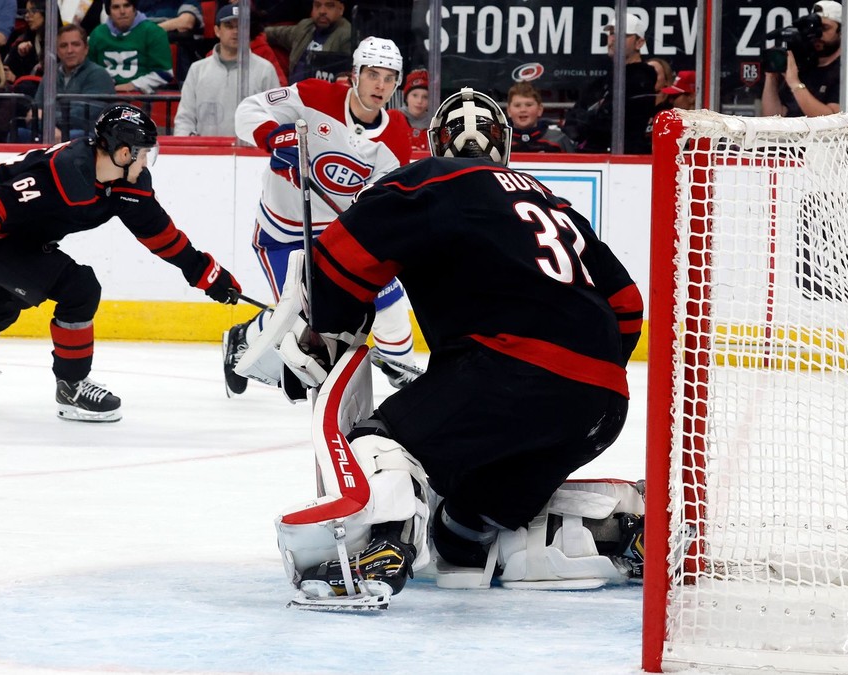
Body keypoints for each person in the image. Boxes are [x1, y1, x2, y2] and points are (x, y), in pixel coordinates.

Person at [241, 88, 644, 601]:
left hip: (506, 376)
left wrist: (327, 326)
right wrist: (578, 376)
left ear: (437, 143)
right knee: (459, 534)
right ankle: (606, 531)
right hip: (603, 402)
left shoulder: (430, 179)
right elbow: (628, 306)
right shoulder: (553, 202)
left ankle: (379, 550)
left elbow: (335, 268)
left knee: (379, 443)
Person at [0, 103, 242, 423]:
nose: (147, 162)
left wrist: (206, 273)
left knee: (2, 301)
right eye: (144, 153)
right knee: (80, 288)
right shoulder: (64, 172)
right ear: (122, 153)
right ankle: (72, 386)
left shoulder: (127, 184)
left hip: (26, 238)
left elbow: (160, 235)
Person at [223, 35, 417, 397]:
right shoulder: (314, 96)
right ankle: (243, 337)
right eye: (373, 74)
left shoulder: (396, 133)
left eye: (390, 77)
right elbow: (248, 111)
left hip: (338, 235)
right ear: (354, 74)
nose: (381, 85)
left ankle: (403, 370)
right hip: (282, 235)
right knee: (302, 320)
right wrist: (272, 138)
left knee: (388, 298)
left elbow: (384, 197)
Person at [172, 3, 278, 137]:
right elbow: (185, 119)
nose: (235, 31)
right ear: (217, 30)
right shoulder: (197, 69)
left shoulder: (265, 69)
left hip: (251, 154)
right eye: (229, 26)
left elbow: (275, 117)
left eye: (241, 26)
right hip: (206, 153)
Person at [566, 11, 657, 154]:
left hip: (624, 158)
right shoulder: (605, 79)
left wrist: (588, 120)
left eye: (623, 35)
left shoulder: (642, 79)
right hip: (592, 156)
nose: (613, 39)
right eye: (612, 33)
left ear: (639, 43)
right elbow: (572, 120)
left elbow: (615, 124)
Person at [32, 23, 115, 141]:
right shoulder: (50, 75)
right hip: (52, 131)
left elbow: (83, 117)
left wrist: (46, 120)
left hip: (88, 135)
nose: (69, 50)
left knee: (76, 135)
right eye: (63, 45)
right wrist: (48, 126)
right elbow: (33, 114)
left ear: (86, 49)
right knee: (19, 133)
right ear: (57, 50)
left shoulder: (99, 75)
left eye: (75, 45)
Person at [761, 1, 842, 117]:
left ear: (842, 32)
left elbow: (832, 121)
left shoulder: (847, 73)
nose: (818, 35)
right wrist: (771, 77)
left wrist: (795, 84)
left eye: (825, 28)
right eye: (815, 28)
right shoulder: (803, 67)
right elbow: (772, 117)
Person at [88, 0, 172, 94]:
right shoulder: (97, 34)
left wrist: (134, 85)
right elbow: (88, 70)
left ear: (134, 8)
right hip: (103, 96)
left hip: (145, 97)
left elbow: (166, 73)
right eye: (116, 7)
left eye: (127, 5)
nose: (122, 11)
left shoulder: (154, 32)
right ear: (109, 12)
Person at [266, 0, 352, 83]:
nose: (322, 11)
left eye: (329, 6)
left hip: (320, 93)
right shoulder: (305, 27)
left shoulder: (348, 36)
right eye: (317, 5)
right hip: (293, 92)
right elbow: (273, 34)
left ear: (341, 9)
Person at [507, 81, 569, 153]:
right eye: (517, 105)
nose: (523, 110)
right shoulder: (499, 141)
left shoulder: (558, 139)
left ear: (539, 110)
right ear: (509, 111)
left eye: (529, 105)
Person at [4, 0, 46, 81]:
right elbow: (7, 68)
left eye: (33, 11)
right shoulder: (22, 40)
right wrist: (19, 55)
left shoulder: (60, 41)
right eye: (26, 12)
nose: (27, 16)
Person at [399, 68, 428, 150]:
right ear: (406, 97)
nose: (419, 101)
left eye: (425, 97)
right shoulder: (394, 119)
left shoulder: (435, 123)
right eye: (415, 95)